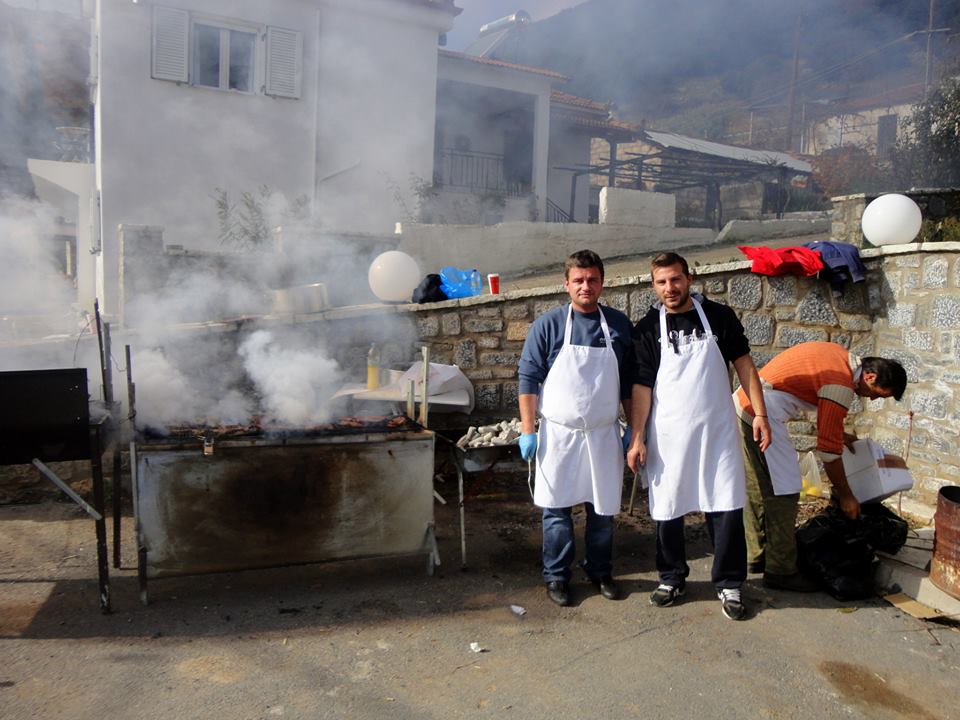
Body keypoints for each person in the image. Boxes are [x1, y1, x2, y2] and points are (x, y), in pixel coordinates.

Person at [627, 252, 770, 621]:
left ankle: (729, 583)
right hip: (669, 434)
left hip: (717, 432)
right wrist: (637, 436)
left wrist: (760, 414)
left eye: (675, 280)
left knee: (725, 502)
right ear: (653, 285)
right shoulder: (647, 328)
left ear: (689, 278)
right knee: (667, 505)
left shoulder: (719, 317)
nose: (669, 288)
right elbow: (642, 387)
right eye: (661, 282)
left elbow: (745, 366)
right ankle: (672, 577)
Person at [734, 341, 907, 592]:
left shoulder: (841, 358)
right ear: (870, 377)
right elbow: (827, 452)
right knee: (786, 489)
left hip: (744, 403)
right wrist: (847, 496)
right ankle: (780, 571)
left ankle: (756, 556)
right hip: (761, 413)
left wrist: (839, 433)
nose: (872, 399)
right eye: (877, 394)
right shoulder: (841, 384)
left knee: (757, 487)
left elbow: (815, 400)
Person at [518, 249, 637, 607]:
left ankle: (600, 571)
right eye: (579, 280)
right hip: (559, 435)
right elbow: (528, 379)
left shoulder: (618, 325)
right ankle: (556, 575)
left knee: (602, 511)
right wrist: (528, 430)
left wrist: (633, 428)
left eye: (593, 280)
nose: (586, 286)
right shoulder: (548, 325)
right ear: (566, 284)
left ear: (602, 282)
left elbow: (630, 383)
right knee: (557, 512)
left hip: (602, 434)